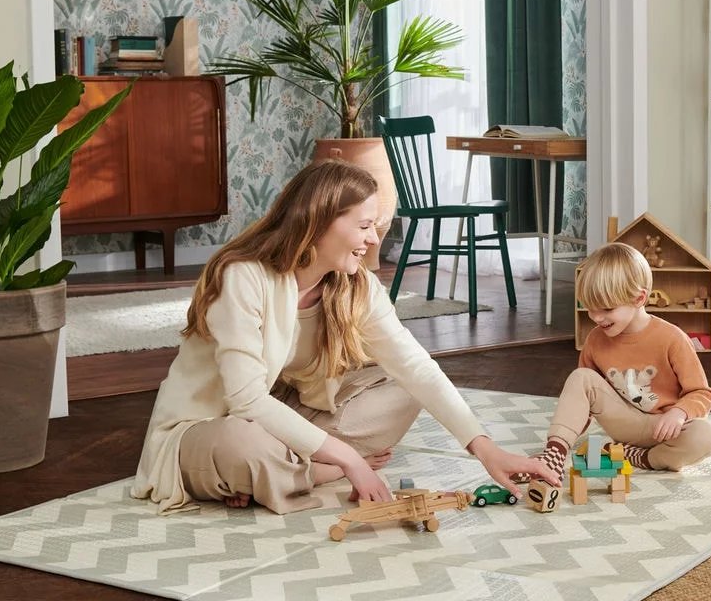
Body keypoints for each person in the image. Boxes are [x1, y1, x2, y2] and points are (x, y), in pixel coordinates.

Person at [132, 159, 556, 515]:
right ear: (319, 223)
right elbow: (246, 402)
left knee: (405, 389)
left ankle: (279, 471)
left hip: (282, 417)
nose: (374, 239)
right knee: (241, 443)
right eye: (365, 225)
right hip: (205, 429)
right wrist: (349, 460)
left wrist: (485, 449)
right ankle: (315, 470)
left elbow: (415, 367)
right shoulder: (243, 276)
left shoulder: (353, 286)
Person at [527, 242, 711, 484]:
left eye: (606, 309)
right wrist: (566, 439)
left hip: (665, 428)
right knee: (580, 377)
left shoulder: (672, 338)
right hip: (624, 423)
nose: (596, 318)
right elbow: (583, 397)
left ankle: (645, 458)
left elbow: (702, 393)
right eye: (590, 309)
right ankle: (553, 454)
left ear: (639, 298)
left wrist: (679, 414)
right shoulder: (595, 340)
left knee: (705, 436)